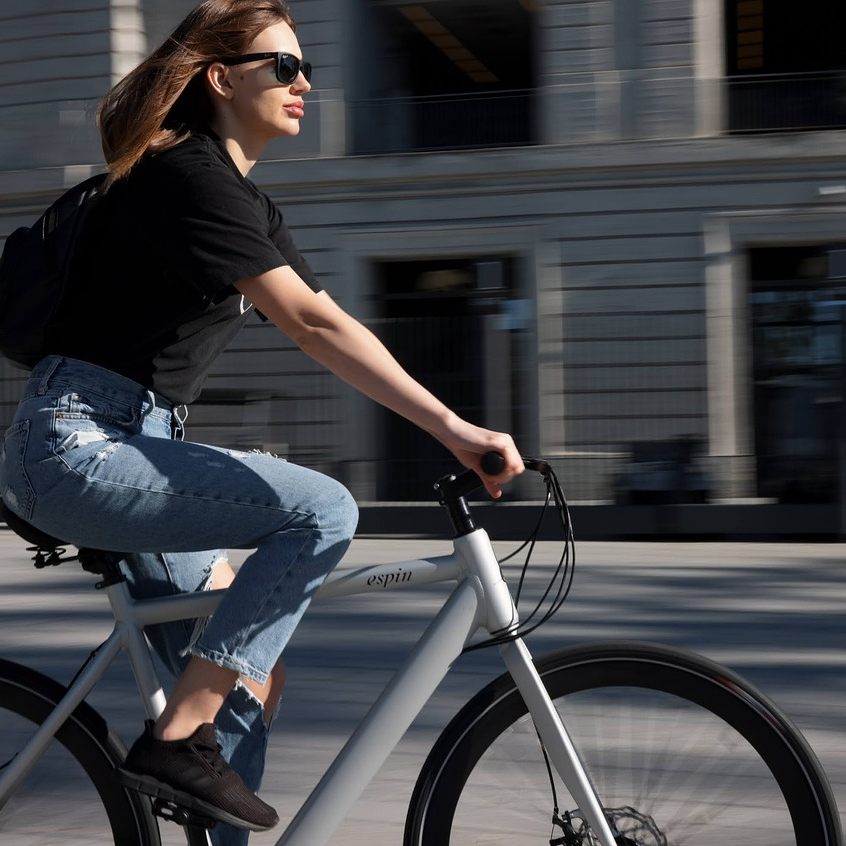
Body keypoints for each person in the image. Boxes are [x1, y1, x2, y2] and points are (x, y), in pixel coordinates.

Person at [0, 0, 523, 842]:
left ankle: (192, 749)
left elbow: (334, 319)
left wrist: (452, 423)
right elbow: (311, 331)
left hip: (134, 442)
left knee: (249, 684)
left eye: (305, 66)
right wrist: (458, 431)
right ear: (220, 78)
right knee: (323, 509)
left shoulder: (240, 200)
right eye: (282, 66)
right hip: (80, 445)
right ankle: (174, 739)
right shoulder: (185, 175)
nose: (303, 82)